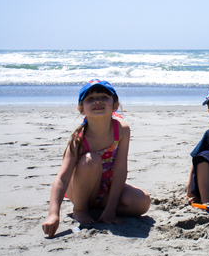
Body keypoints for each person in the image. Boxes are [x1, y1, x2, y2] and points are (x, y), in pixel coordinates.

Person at [42, 79, 150, 238]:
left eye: (104, 97)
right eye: (90, 99)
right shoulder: (79, 139)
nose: (97, 100)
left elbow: (120, 170)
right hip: (79, 189)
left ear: (114, 105)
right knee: (90, 160)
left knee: (143, 201)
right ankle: (80, 209)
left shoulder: (122, 130)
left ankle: (95, 210)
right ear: (81, 109)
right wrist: (53, 215)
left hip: (105, 189)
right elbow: (62, 179)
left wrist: (111, 209)